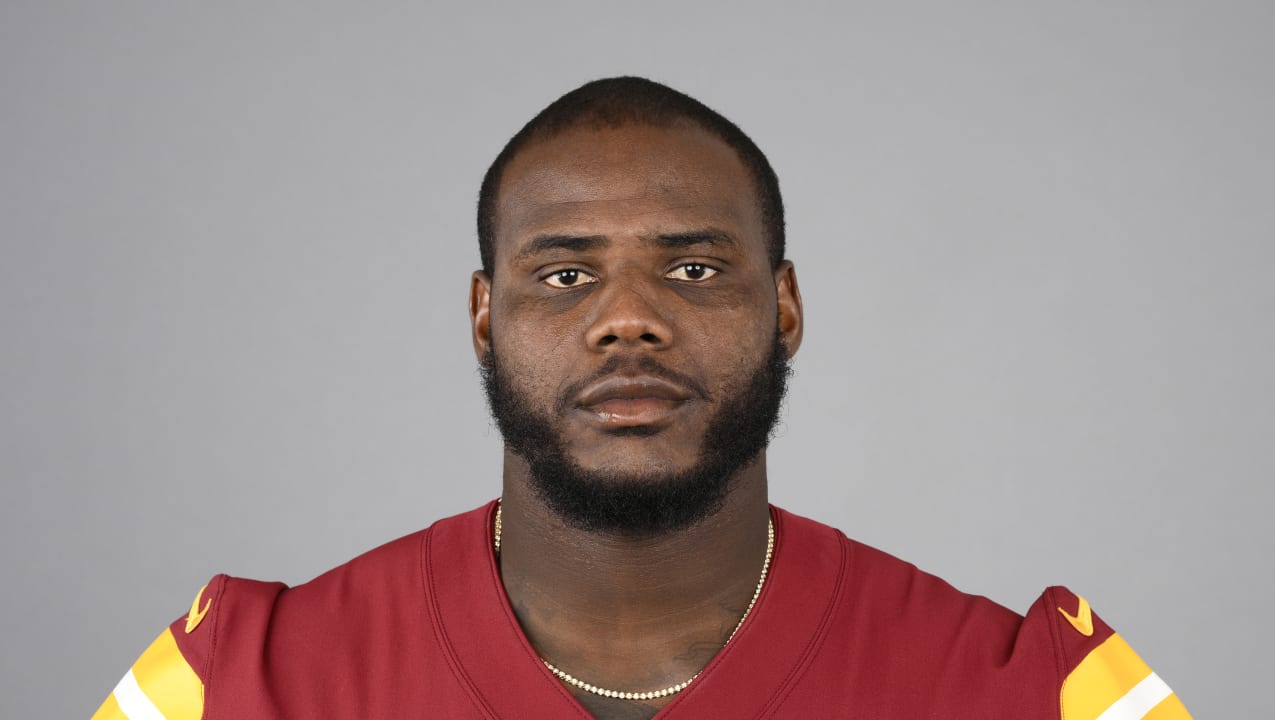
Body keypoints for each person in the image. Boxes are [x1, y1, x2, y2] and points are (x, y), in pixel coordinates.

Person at [91, 76, 1191, 720]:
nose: (629, 319)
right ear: (483, 315)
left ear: (785, 304)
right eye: (565, 275)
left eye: (695, 269)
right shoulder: (237, 681)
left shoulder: (1046, 693)